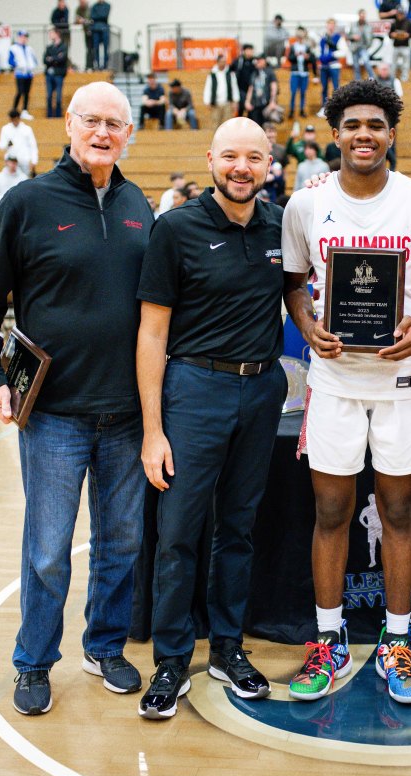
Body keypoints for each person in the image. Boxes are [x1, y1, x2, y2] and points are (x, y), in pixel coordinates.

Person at [0, 82, 153, 717]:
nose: (103, 132)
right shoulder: (27, 202)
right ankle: (34, 660)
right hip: (52, 415)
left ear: (129, 133)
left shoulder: (138, 205)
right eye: (92, 121)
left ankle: (102, 646)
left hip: (128, 414)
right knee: (47, 549)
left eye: (115, 123)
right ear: (69, 126)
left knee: (122, 543)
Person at [281, 80, 411, 706]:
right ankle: (328, 642)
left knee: (400, 512)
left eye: (376, 125)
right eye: (352, 124)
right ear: (334, 132)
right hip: (334, 380)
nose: (363, 134)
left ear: (391, 133)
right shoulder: (305, 205)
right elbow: (293, 284)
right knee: (331, 513)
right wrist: (306, 326)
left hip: (402, 380)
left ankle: (396, 641)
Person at [135, 116, 285, 719]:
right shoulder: (175, 229)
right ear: (210, 159)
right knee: (179, 532)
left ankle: (226, 647)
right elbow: (150, 333)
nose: (241, 167)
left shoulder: (282, 225)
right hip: (194, 389)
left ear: (269, 163)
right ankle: (172, 659)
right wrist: (153, 429)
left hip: (261, 390)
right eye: (230, 156)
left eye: (254, 157)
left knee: (239, 529)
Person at [9, 30, 39, 120]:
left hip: (29, 73)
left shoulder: (29, 49)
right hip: (20, 73)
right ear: (19, 37)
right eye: (22, 37)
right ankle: (14, 110)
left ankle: (24, 110)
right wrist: (17, 65)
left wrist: (32, 67)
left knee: (27, 92)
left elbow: (34, 60)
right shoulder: (13, 48)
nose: (24, 39)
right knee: (20, 91)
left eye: (25, 37)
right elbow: (10, 60)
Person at [0, 109, 39, 175]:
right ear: (10, 119)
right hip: (11, 161)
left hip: (24, 160)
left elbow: (33, 145)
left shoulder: (27, 129)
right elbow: (1, 146)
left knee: (24, 182)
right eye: (13, 120)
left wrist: (34, 160)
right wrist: (7, 144)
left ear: (19, 118)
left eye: (16, 120)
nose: (15, 122)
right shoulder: (5, 129)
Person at [204, 54, 239, 130]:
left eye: (224, 61)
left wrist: (235, 101)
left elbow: (234, 87)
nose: (223, 63)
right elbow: (208, 88)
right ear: (217, 62)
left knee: (228, 124)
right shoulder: (212, 75)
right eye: (221, 61)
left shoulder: (230, 74)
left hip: (227, 103)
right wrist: (207, 101)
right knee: (216, 124)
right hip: (216, 103)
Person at [244, 55, 279, 127]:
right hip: (255, 105)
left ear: (264, 61)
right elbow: (250, 88)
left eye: (259, 60)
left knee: (266, 127)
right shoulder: (254, 73)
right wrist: (247, 101)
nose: (257, 62)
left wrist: (273, 101)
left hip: (266, 105)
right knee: (255, 127)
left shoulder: (270, 72)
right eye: (257, 61)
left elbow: (274, 87)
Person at [44, 28, 69, 119]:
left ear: (57, 34)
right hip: (49, 75)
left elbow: (62, 59)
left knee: (58, 97)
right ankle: (49, 115)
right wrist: (56, 58)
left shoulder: (63, 46)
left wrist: (51, 59)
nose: (50, 35)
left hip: (59, 74)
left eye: (51, 33)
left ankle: (58, 115)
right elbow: (45, 60)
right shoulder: (49, 47)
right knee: (49, 96)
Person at [319, 20, 344, 109]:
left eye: (333, 25)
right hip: (323, 66)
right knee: (324, 87)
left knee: (336, 87)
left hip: (334, 65)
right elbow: (318, 50)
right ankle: (324, 107)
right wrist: (321, 57)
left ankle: (336, 108)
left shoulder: (338, 38)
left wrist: (332, 55)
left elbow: (343, 51)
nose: (331, 27)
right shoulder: (323, 38)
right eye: (329, 24)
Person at [389, 8, 411, 83]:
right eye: (398, 14)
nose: (399, 15)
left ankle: (405, 78)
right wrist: (392, 35)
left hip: (405, 46)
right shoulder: (394, 23)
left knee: (406, 63)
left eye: (401, 13)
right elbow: (389, 34)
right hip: (396, 46)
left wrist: (407, 35)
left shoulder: (409, 23)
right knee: (393, 63)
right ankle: (392, 77)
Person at [348, 9, 375, 81]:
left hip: (363, 47)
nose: (362, 17)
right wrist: (353, 37)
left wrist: (368, 46)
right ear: (359, 15)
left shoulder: (369, 26)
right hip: (354, 48)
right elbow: (348, 36)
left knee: (367, 62)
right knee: (356, 66)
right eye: (361, 15)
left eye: (364, 15)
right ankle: (357, 80)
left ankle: (372, 78)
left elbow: (371, 38)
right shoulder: (353, 25)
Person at [89, 0, 111, 70]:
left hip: (104, 29)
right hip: (95, 30)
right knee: (96, 48)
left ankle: (105, 65)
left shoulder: (107, 5)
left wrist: (97, 16)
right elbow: (92, 16)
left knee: (105, 48)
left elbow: (104, 15)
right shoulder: (94, 6)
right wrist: (99, 16)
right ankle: (97, 65)